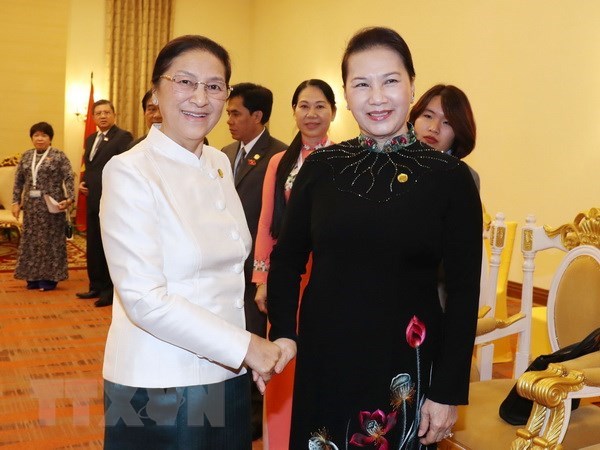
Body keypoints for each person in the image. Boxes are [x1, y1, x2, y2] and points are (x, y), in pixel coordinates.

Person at [266, 27, 482, 449]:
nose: (377, 97)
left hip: (404, 364)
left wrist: (448, 392)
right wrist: (284, 334)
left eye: (390, 81)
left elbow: (462, 291)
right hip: (325, 359)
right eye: (362, 84)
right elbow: (288, 260)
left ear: (412, 86)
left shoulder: (450, 179)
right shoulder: (321, 167)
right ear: (347, 94)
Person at [98, 35, 281, 449]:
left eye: (214, 86)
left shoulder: (216, 162)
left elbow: (228, 273)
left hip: (227, 373)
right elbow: (144, 298)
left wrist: (242, 355)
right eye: (185, 82)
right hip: (160, 382)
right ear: (156, 91)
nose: (200, 98)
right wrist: (246, 346)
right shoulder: (129, 171)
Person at [252, 78, 336, 449]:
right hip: (287, 278)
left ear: (333, 111)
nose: (312, 114)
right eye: (304, 105)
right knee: (282, 357)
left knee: (320, 360)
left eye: (320, 106)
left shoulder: (341, 158)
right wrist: (262, 278)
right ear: (294, 112)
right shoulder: (278, 162)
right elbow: (268, 223)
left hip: (328, 277)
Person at [222, 82, 287, 440]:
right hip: (225, 265)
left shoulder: (279, 156)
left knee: (253, 336)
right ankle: (233, 404)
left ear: (257, 116)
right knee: (229, 333)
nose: (228, 119)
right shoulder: (223, 152)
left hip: (255, 268)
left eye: (236, 113)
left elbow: (275, 218)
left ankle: (253, 413)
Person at [76, 99, 133, 307]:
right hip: (92, 199)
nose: (102, 116)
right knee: (94, 245)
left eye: (106, 112)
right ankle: (96, 286)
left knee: (109, 246)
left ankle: (110, 292)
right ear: (93, 117)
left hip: (112, 201)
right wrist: (83, 183)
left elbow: (125, 168)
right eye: (98, 113)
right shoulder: (91, 139)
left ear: (114, 114)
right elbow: (91, 168)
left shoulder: (123, 137)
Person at [11, 122, 74, 291]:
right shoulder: (26, 156)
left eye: (44, 135)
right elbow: (18, 181)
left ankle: (49, 279)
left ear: (50, 138)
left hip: (52, 207)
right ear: (32, 138)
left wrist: (69, 198)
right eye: (36, 135)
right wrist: (15, 202)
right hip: (31, 208)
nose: (40, 138)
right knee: (31, 241)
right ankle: (32, 277)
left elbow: (69, 177)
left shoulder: (58, 155)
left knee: (50, 242)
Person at [409, 84, 480, 190]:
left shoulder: (464, 176)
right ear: (414, 119)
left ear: (458, 133)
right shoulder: (390, 161)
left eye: (447, 122)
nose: (434, 128)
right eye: (428, 116)